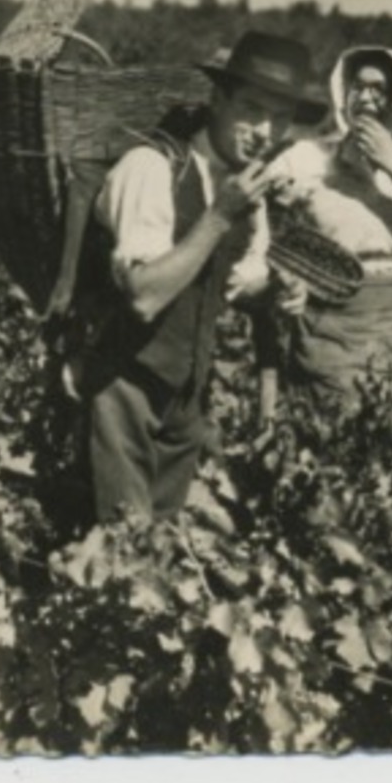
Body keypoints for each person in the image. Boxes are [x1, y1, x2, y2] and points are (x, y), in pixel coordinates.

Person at [76, 31, 319, 522]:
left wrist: (275, 289)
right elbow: (142, 296)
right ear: (218, 98)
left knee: (158, 553)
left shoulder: (245, 189)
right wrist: (217, 218)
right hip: (122, 386)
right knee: (123, 555)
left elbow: (237, 284)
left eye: (280, 118)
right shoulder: (151, 168)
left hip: (184, 398)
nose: (265, 130)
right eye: (252, 108)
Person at [266, 46, 392, 408]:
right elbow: (256, 211)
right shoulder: (310, 157)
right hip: (333, 324)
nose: (367, 98)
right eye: (358, 86)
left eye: (380, 89)